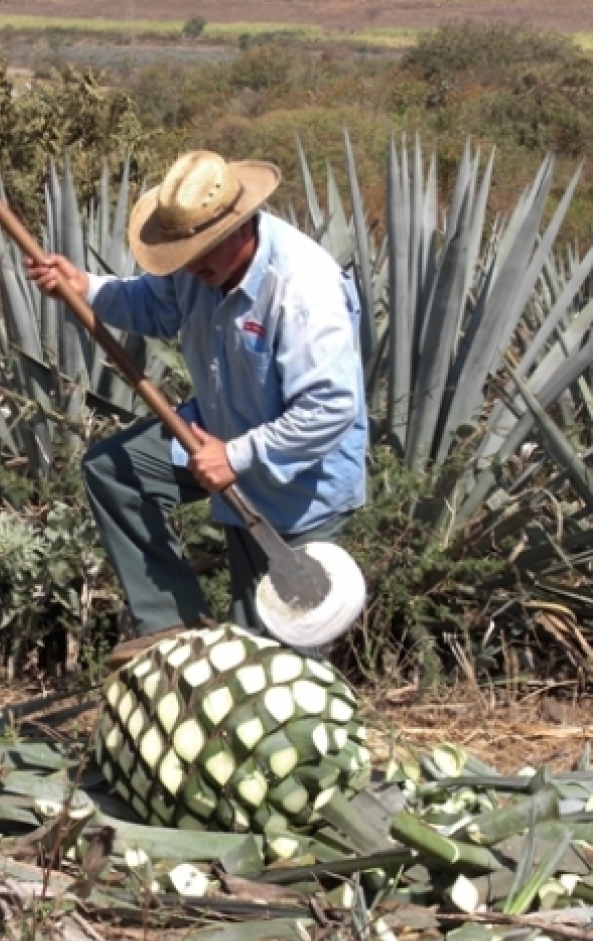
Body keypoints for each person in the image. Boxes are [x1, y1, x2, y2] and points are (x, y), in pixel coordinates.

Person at [27, 150, 367, 668]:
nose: (190, 265)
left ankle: (320, 740)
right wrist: (86, 289)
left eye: (202, 251)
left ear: (240, 226)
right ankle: (171, 624)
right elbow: (155, 306)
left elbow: (328, 407)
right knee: (116, 471)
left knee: (275, 658)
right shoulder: (198, 267)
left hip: (298, 478)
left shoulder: (301, 288)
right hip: (216, 434)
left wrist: (237, 456)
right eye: (184, 253)